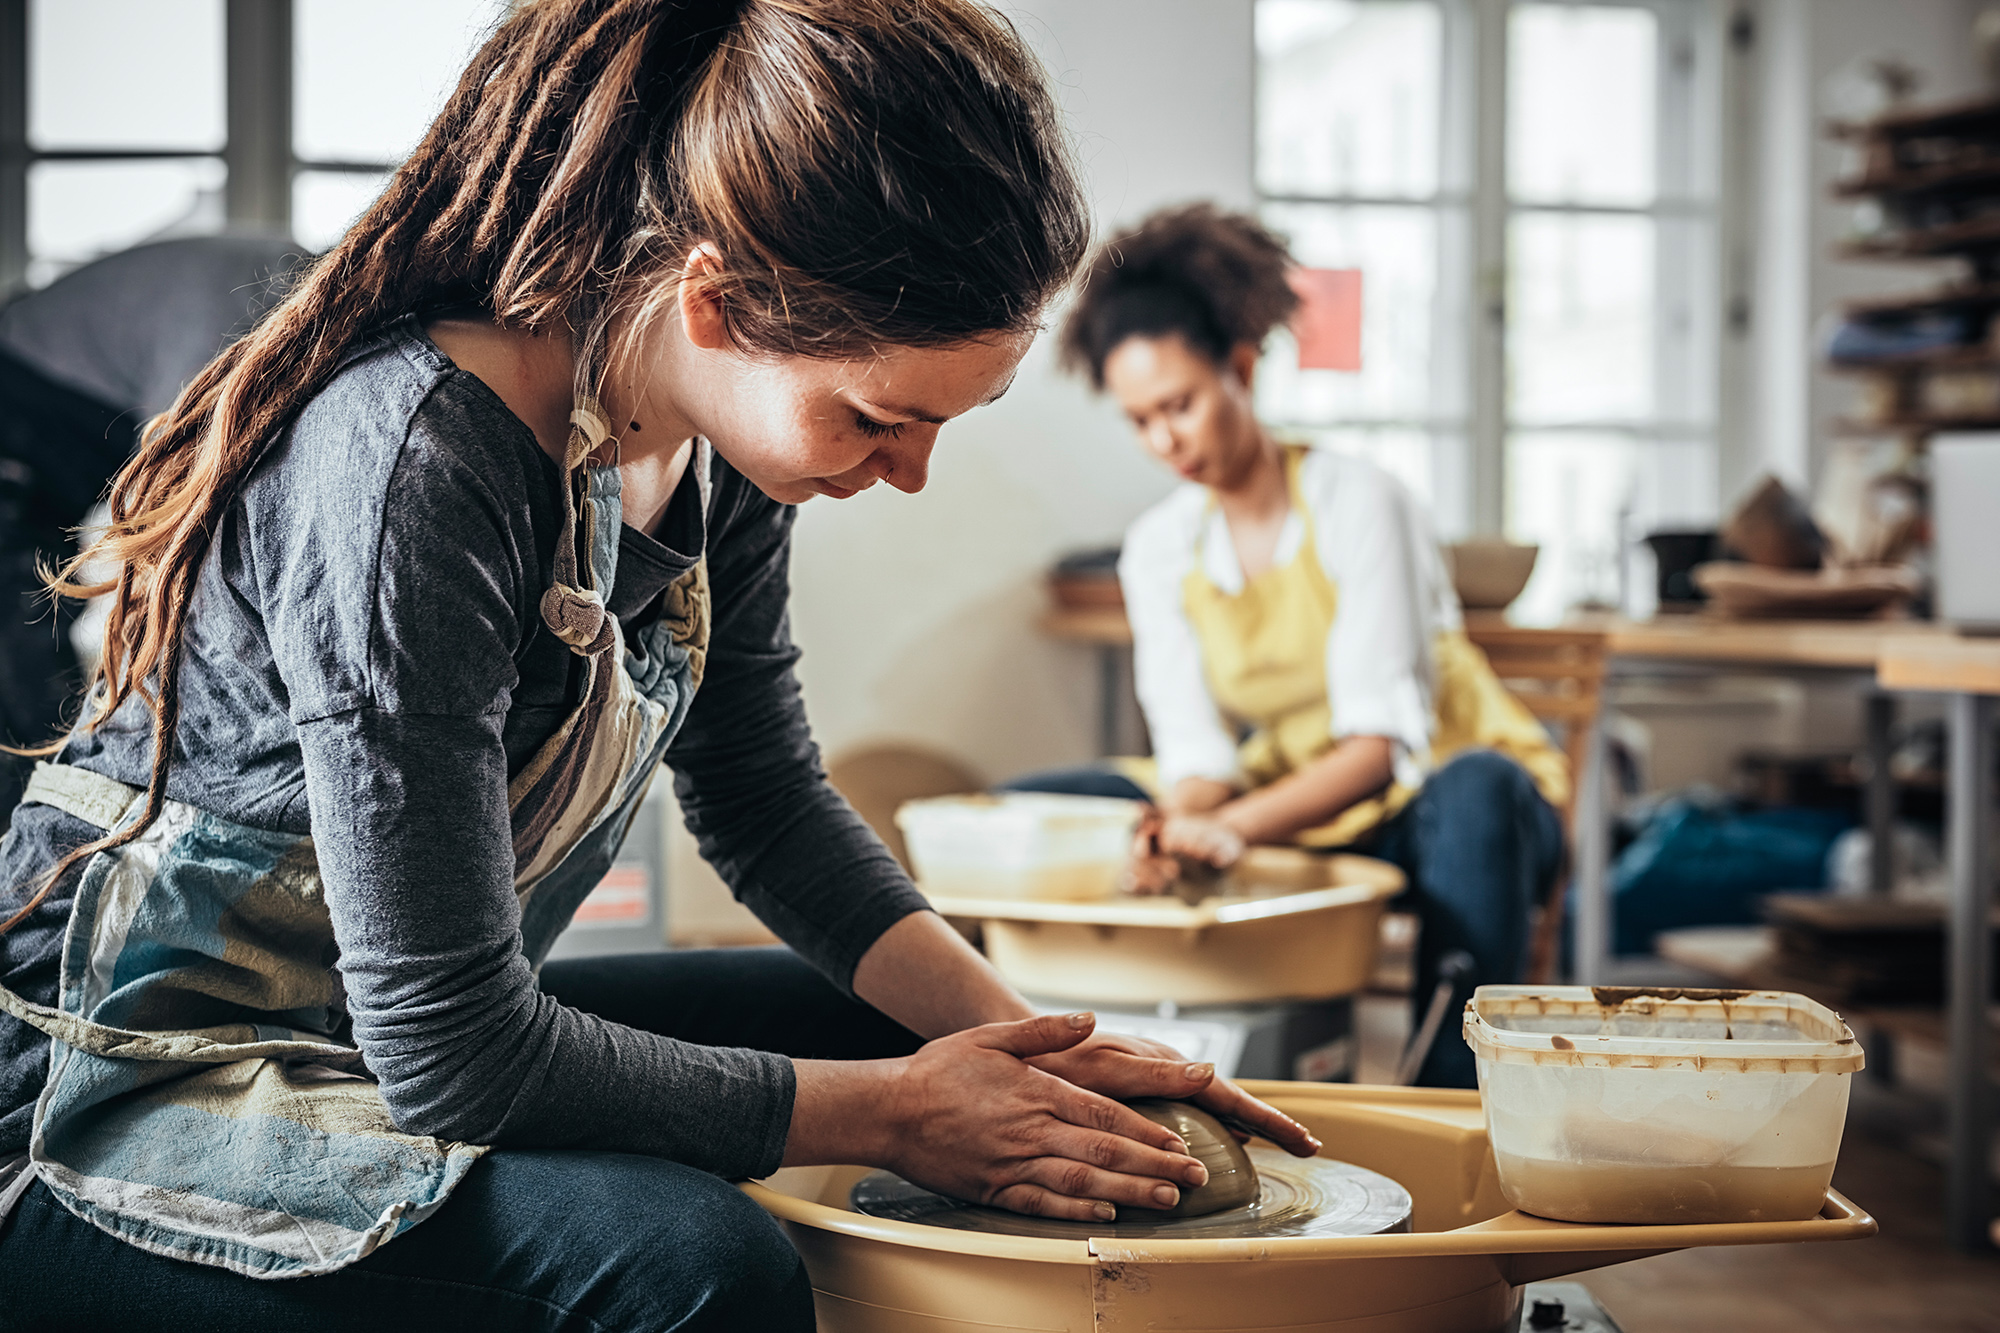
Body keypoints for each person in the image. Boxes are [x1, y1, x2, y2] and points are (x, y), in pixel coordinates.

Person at [0, 7, 1319, 1330]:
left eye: (939, 426)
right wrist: (904, 1122)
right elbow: (456, 1056)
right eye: (878, 417)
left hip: (362, 1038)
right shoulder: (416, 465)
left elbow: (763, 798)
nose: (908, 472)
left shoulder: (715, 442)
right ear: (714, 301)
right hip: (130, 1090)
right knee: (694, 1262)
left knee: (888, 1024)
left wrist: (1058, 1055)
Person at [1014, 204, 1568, 1088]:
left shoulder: (1360, 503)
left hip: (1440, 804)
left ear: (1241, 368)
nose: (1165, 440)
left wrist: (1225, 828)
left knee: (1477, 792)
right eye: (1141, 419)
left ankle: (1452, 1094)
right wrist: (1182, 823)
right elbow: (1196, 753)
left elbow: (1379, 755)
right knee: (1038, 804)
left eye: (1181, 405)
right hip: (1290, 792)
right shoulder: (1161, 546)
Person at [0, 232, 307, 822]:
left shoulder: (278, 291)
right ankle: (29, 856)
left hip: (70, 414)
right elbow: (174, 491)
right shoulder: (235, 314)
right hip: (18, 388)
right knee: (21, 654)